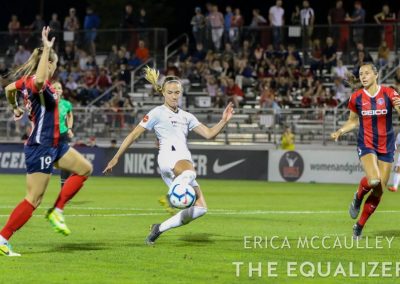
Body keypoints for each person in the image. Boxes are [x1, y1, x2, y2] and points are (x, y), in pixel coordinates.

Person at [103, 66, 234, 245]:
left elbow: (210, 134)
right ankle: (171, 197)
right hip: (168, 157)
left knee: (201, 208)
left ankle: (159, 228)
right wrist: (116, 156)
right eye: (171, 92)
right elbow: (134, 134)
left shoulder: (187, 116)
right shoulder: (157, 113)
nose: (174, 96)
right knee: (190, 173)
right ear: (163, 93)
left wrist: (223, 121)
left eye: (177, 92)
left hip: (180, 159)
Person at [0, 27, 93, 257]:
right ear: (48, 63)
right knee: (33, 199)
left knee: (84, 168)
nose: (55, 68)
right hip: (41, 146)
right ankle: (2, 238)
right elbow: (38, 80)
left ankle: (57, 211)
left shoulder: (25, 82)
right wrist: (47, 50)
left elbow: (8, 88)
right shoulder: (35, 81)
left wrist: (15, 107)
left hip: (54, 144)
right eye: (55, 63)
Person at [331, 63, 400, 240]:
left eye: (367, 73)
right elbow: (353, 122)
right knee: (374, 179)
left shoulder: (389, 93)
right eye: (361, 74)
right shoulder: (356, 97)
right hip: (367, 143)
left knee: (378, 190)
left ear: (376, 75)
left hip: (387, 144)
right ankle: (358, 195)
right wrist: (340, 131)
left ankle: (359, 226)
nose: (363, 76)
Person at [53, 82, 74, 189]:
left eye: (59, 88)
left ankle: (64, 189)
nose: (57, 89)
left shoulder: (66, 104)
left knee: (66, 161)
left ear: (61, 91)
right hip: (49, 136)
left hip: (63, 134)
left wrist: (69, 128)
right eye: (55, 88)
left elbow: (70, 115)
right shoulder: (47, 103)